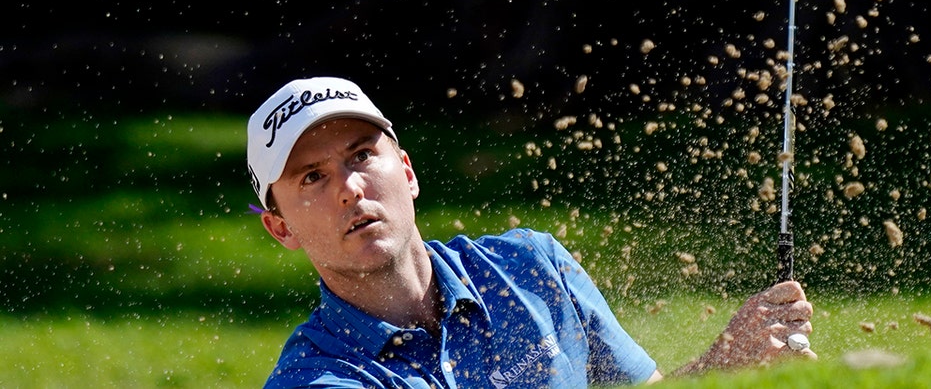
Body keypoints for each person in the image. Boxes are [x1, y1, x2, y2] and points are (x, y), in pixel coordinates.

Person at [247, 76, 816, 388]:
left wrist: (728, 366)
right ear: (280, 228)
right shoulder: (317, 379)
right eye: (314, 177)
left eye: (363, 155)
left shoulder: (531, 267)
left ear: (408, 172)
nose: (349, 189)